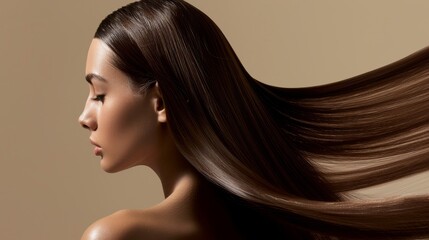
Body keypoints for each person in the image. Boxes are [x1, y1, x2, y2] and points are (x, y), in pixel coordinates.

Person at [78, 0, 429, 239]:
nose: (84, 117)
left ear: (159, 102)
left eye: (99, 95)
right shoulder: (262, 228)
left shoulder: (116, 235)